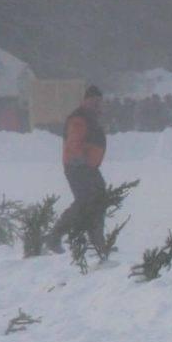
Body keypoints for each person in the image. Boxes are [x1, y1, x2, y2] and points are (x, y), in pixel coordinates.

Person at [60, 85, 109, 247]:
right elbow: (74, 142)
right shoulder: (80, 118)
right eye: (93, 100)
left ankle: (97, 240)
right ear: (85, 101)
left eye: (98, 101)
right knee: (85, 202)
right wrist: (81, 161)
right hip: (78, 167)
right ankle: (55, 236)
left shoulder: (91, 118)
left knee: (98, 200)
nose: (96, 104)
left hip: (89, 167)